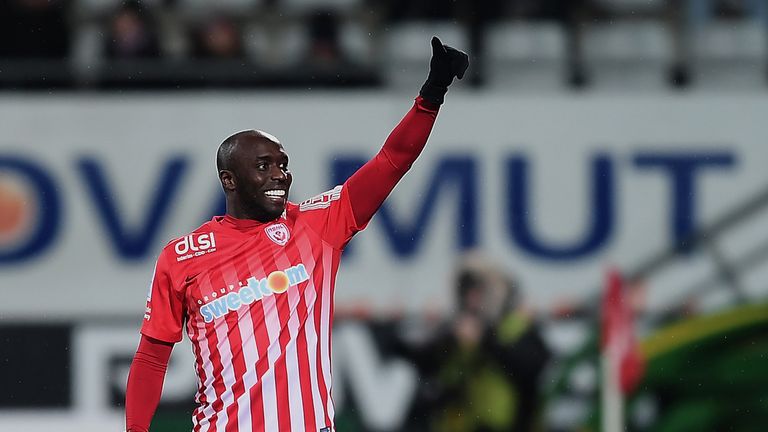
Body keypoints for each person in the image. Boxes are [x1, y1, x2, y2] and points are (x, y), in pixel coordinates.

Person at [124, 36, 469, 432]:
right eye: (264, 165)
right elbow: (152, 357)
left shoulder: (316, 225)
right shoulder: (182, 256)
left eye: (283, 164)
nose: (280, 175)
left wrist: (432, 93)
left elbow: (393, 160)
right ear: (229, 180)